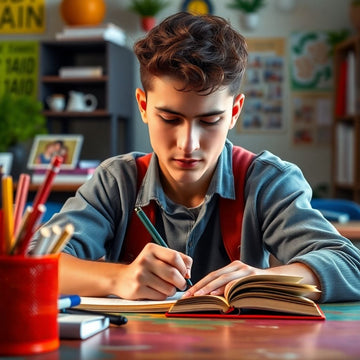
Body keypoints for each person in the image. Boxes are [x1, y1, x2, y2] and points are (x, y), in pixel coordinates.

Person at [35, 12, 360, 302]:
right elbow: (36, 263)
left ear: (234, 112)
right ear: (144, 106)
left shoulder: (267, 181)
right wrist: (119, 277)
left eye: (209, 121)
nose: (188, 143)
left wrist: (262, 280)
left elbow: (350, 265)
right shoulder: (116, 182)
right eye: (170, 118)